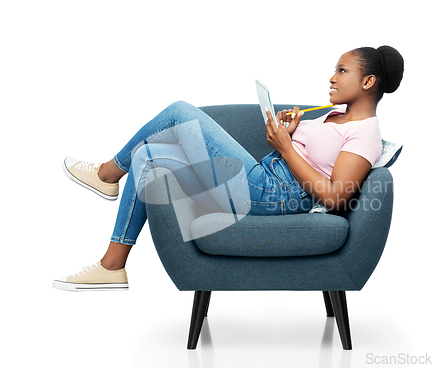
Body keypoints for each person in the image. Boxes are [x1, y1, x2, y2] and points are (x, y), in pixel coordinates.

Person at [53, 45, 404, 292]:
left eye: (342, 70)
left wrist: (285, 147)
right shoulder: (335, 115)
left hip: (276, 194)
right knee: (148, 157)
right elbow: (311, 155)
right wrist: (290, 134)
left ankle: (107, 174)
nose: (331, 77)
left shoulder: (366, 135)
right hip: (265, 176)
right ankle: (113, 265)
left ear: (368, 82)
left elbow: (335, 197)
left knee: (179, 110)